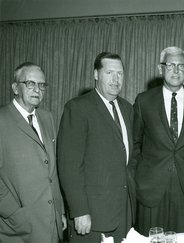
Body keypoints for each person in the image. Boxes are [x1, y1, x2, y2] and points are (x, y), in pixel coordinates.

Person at [57, 52, 135, 243]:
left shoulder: (127, 108)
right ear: (96, 74)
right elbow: (69, 167)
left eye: (120, 73)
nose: (116, 79)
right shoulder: (78, 108)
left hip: (123, 213)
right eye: (109, 73)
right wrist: (80, 211)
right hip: (91, 216)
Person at [133, 46, 184, 234]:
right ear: (160, 69)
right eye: (170, 65)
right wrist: (138, 179)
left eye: (181, 66)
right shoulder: (144, 101)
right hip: (151, 189)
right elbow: (135, 144)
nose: (176, 70)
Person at [0, 62, 66, 242]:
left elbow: (51, 171)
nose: (37, 89)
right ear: (15, 87)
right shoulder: (2, 120)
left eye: (42, 85)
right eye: (30, 83)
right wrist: (13, 213)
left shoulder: (47, 117)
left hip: (51, 224)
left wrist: (58, 212)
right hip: (16, 230)